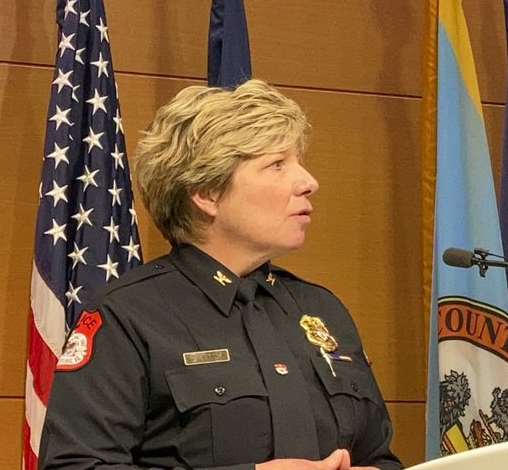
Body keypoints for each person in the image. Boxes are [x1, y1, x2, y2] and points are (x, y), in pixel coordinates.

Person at [39, 80, 401, 470]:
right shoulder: (128, 317)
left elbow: (379, 456)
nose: (308, 182)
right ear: (207, 193)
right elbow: (76, 466)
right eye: (277, 164)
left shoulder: (321, 309)